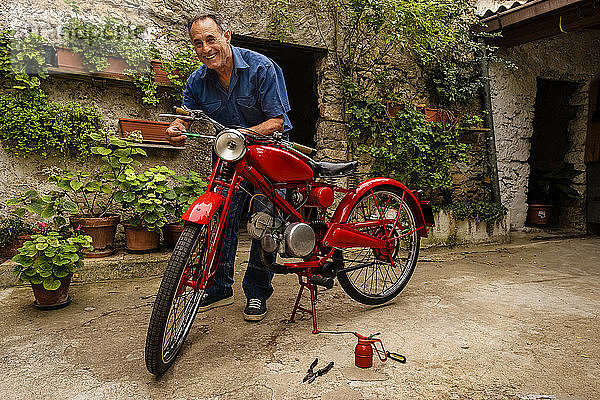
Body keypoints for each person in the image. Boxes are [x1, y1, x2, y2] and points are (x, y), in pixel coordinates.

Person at [165, 11, 292, 321]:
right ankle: (219, 287)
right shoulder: (198, 79)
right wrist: (178, 127)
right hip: (230, 156)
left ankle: (257, 292)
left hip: (268, 155)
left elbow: (277, 121)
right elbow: (187, 113)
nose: (206, 48)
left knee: (266, 222)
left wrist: (242, 133)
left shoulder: (261, 68)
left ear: (227, 37)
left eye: (211, 39)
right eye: (198, 43)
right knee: (219, 219)